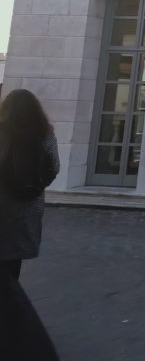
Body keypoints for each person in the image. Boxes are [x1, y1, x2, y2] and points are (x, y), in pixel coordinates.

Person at [0, 89, 61, 360]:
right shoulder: (45, 133)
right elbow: (54, 167)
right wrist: (34, 189)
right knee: (11, 269)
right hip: (25, 213)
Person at [0, 89, 60, 281]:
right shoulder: (45, 133)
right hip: (27, 206)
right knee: (12, 265)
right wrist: (37, 185)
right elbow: (54, 166)